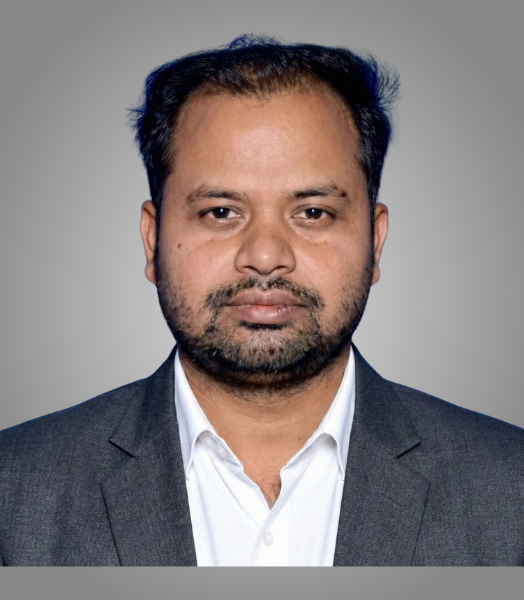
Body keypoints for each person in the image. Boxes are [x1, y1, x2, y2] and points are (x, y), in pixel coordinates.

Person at [1, 34, 523, 567]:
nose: (267, 256)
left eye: (313, 212)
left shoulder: (511, 491)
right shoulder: (14, 492)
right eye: (221, 212)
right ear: (153, 240)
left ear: (376, 239)